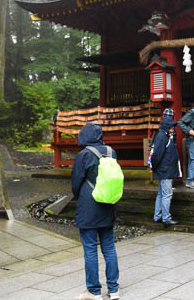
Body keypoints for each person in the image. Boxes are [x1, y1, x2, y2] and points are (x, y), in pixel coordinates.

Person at [71, 122, 120, 300]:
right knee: (109, 247)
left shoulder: (83, 155)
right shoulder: (110, 152)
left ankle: (94, 291)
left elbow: (76, 183)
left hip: (89, 205)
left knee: (90, 248)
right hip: (108, 203)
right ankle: (114, 289)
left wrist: (80, 197)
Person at [151, 109, 180, 226]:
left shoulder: (164, 135)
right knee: (167, 194)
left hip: (164, 169)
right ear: (167, 126)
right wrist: (155, 166)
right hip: (165, 170)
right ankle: (166, 218)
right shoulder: (162, 137)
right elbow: (157, 155)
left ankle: (157, 216)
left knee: (161, 194)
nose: (173, 128)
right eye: (172, 127)